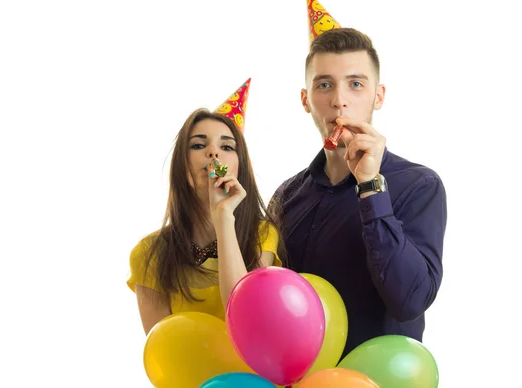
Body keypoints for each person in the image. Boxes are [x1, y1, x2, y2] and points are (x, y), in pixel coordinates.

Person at [269, 26, 448, 359]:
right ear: (306, 100)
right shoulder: (286, 196)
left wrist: (370, 186)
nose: (339, 100)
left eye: (355, 84)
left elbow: (409, 301)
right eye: (324, 85)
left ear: (378, 96)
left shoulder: (419, 186)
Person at [127, 79, 284, 335]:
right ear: (182, 165)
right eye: (199, 145)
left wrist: (223, 216)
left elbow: (247, 319)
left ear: (238, 167)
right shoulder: (148, 255)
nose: (213, 153)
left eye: (226, 147)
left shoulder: (262, 235)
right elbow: (164, 355)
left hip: (252, 375)